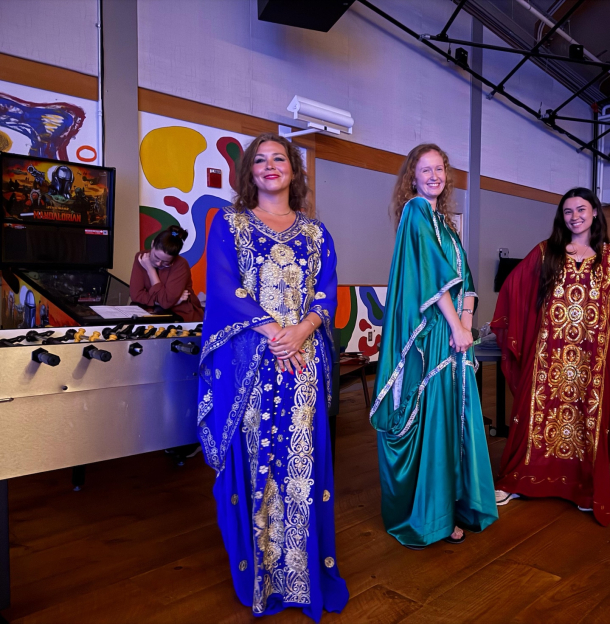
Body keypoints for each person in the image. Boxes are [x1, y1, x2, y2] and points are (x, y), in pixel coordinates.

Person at [197, 133, 348, 620]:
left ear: (294, 170)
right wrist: (274, 332)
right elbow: (222, 285)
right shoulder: (229, 223)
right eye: (259, 161)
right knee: (256, 461)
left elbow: (325, 292)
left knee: (301, 465)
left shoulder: (316, 232)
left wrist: (300, 331)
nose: (269, 166)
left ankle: (301, 576)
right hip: (252, 364)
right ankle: (261, 576)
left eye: (278, 158)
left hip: (301, 363)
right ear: (249, 174)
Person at [490, 187, 610, 526]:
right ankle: (519, 481)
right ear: (562, 216)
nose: (575, 216)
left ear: (595, 213)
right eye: (568, 211)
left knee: (587, 416)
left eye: (581, 209)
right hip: (548, 356)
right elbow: (514, 287)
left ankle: (585, 485)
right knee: (533, 415)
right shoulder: (546, 253)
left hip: (592, 359)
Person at [370, 143, 498, 549]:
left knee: (452, 420)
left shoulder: (444, 221)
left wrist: (468, 323)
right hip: (435, 335)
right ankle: (433, 516)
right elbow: (431, 278)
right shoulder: (415, 212)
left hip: (454, 334)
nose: (432, 175)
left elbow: (467, 281)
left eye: (438, 168)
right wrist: (456, 325)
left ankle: (453, 504)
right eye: (424, 169)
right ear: (412, 176)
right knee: (437, 422)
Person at [129, 225, 204, 322]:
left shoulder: (181, 265)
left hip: (180, 315)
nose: (159, 263)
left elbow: (165, 302)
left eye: (166, 262)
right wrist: (172, 302)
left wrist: (150, 269)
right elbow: (136, 296)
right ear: (152, 244)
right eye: (156, 257)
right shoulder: (141, 257)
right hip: (150, 312)